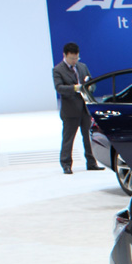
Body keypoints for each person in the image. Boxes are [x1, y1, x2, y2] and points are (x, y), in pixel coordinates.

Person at [52, 42, 101, 174]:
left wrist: (90, 87)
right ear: (65, 55)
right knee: (68, 139)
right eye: (72, 58)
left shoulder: (82, 66)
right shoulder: (58, 70)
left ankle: (91, 162)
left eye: (76, 58)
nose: (74, 61)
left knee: (88, 137)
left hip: (85, 109)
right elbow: (59, 88)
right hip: (70, 110)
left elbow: (91, 82)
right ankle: (66, 164)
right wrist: (75, 88)